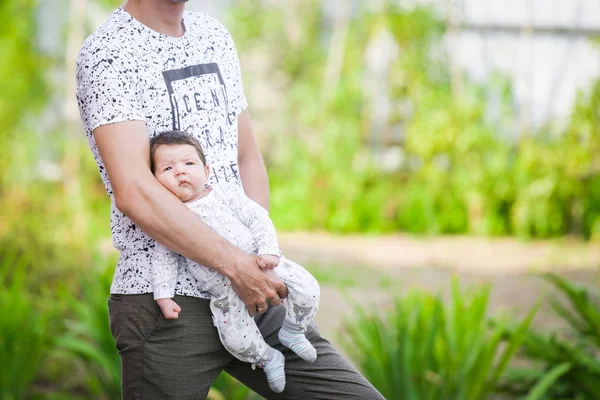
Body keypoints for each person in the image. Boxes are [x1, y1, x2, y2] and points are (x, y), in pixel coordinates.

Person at [76, 0, 385, 398]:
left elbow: (246, 156)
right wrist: (236, 267)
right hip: (168, 306)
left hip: (251, 290)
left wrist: (255, 260)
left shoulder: (213, 35)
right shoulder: (109, 52)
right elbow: (135, 192)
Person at [150, 130, 321, 393]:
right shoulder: (171, 215)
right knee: (234, 339)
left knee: (308, 288)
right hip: (222, 291)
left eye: (189, 164)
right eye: (168, 168)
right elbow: (164, 257)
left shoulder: (224, 194)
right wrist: (163, 295)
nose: (180, 172)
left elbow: (258, 217)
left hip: (261, 263)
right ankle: (267, 358)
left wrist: (269, 250)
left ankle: (294, 330)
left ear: (206, 170)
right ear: (154, 181)